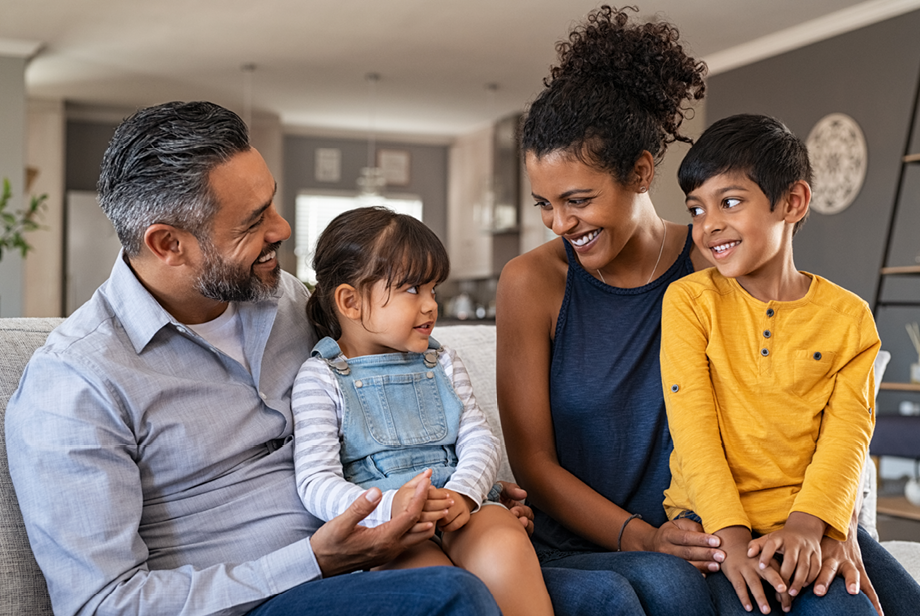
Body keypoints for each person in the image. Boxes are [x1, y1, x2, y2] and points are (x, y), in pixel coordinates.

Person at [4, 101, 503, 616]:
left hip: (391, 552)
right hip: (262, 601)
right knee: (450, 599)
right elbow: (104, 604)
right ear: (168, 243)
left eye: (273, 204)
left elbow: (374, 402)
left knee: (587, 591)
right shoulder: (75, 384)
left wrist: (456, 487)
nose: (282, 228)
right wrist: (315, 561)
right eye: (253, 221)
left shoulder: (286, 299)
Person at [496, 6, 903, 616]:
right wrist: (645, 536)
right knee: (674, 586)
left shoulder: (719, 259)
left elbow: (815, 411)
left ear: (640, 171)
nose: (560, 223)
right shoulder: (531, 281)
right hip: (604, 543)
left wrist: (834, 526)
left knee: (883, 596)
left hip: (733, 525)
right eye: (544, 204)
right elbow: (533, 462)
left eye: (578, 200)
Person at [661, 113, 889, 615]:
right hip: (716, 524)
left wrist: (814, 526)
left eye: (731, 202)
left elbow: (848, 434)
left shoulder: (849, 318)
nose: (708, 225)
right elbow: (693, 429)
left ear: (793, 202)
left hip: (807, 520)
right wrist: (733, 538)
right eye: (696, 209)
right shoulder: (689, 302)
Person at [291, 206, 553, 616]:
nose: (431, 305)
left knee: (503, 541)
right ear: (350, 301)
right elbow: (315, 480)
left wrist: (464, 493)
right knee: (434, 587)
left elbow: (480, 438)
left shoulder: (443, 361)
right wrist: (387, 507)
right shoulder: (319, 379)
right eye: (413, 289)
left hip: (460, 503)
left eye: (434, 289)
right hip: (387, 527)